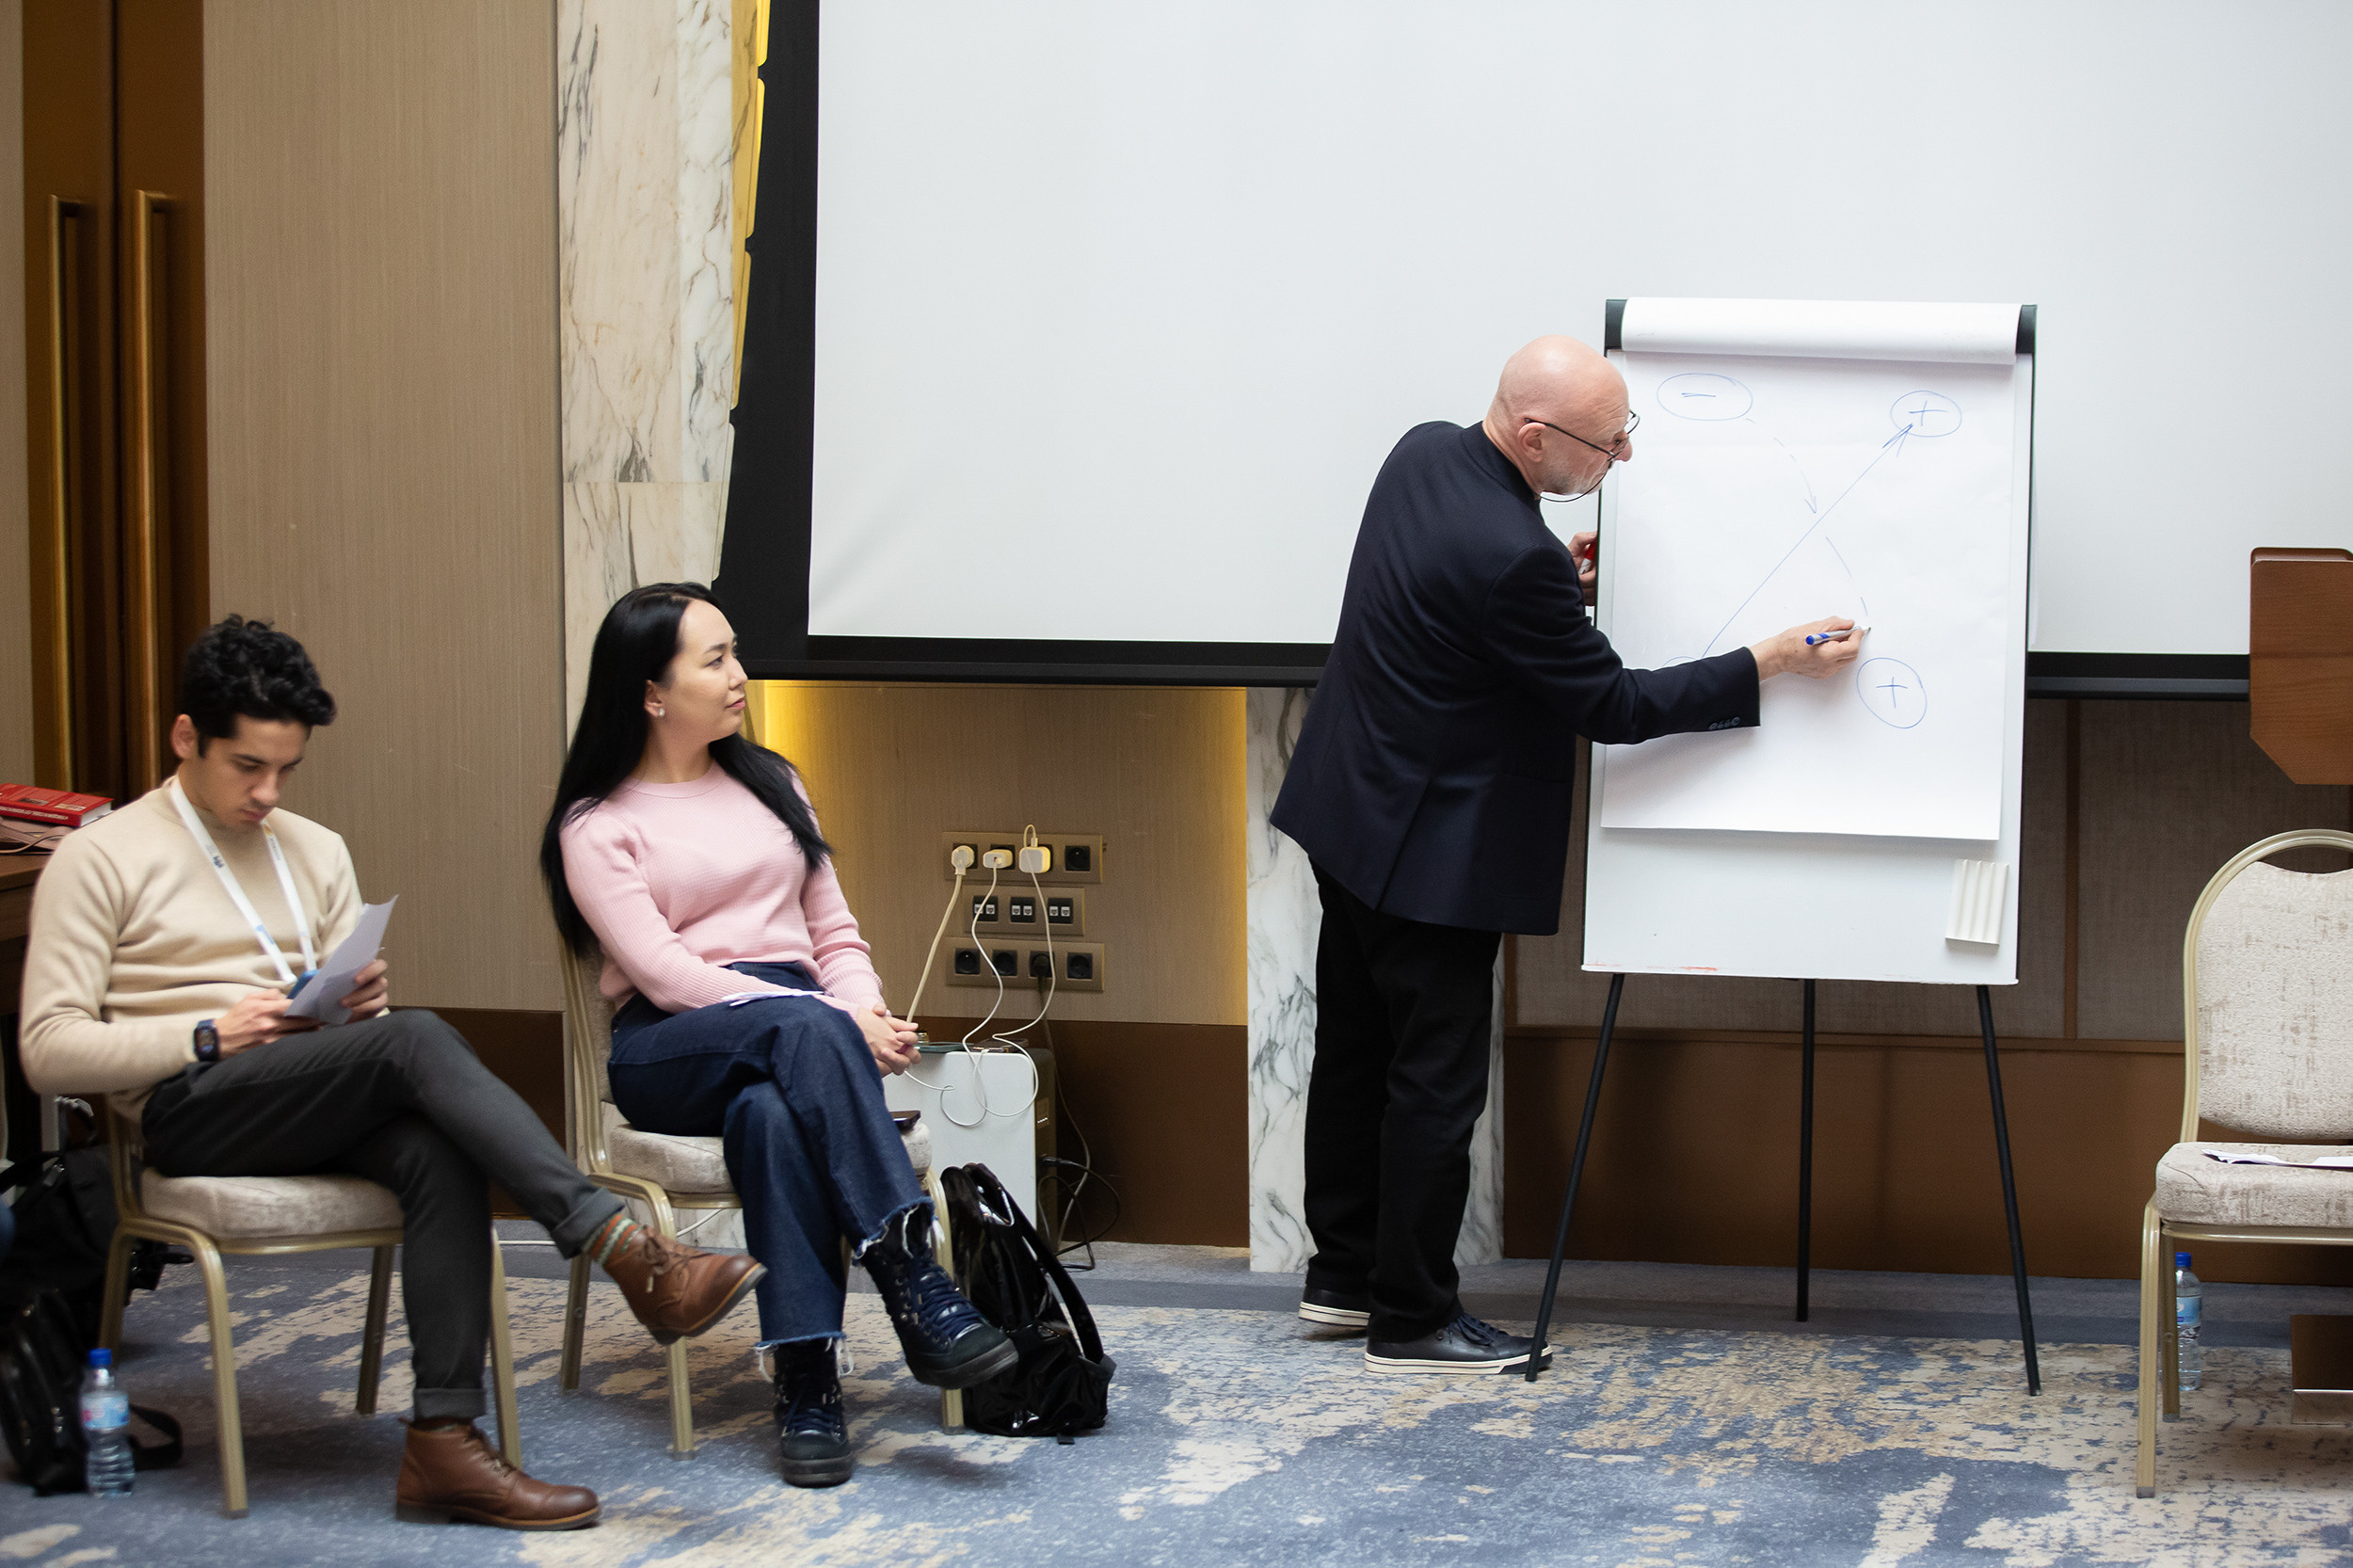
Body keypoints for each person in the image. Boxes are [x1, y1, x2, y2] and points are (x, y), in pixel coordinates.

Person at [21, 616, 765, 1529]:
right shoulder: (100, 857)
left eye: (286, 768)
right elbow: (46, 1046)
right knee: (415, 1042)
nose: (268, 792)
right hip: (189, 1107)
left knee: (432, 1143)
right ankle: (620, 1244)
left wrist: (359, 1003)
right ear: (186, 738)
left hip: (304, 1087)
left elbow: (351, 1023)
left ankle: (444, 1445)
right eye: (247, 766)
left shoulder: (315, 848)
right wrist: (207, 1033)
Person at [1272, 336, 1864, 1374]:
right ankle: (1410, 1318)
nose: (1622, 458)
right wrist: (1762, 661)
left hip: (1348, 812)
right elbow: (1615, 706)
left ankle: (1346, 1277)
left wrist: (1553, 589)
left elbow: (1458, 603)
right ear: (1535, 434)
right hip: (1430, 859)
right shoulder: (1515, 559)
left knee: (1358, 1052)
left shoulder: (1422, 455)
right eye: (1608, 440)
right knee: (1434, 1085)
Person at [543, 583, 1015, 1489]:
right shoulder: (598, 824)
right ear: (650, 691)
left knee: (769, 1114)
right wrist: (834, 1019)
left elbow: (833, 936)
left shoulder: (775, 782)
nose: (739, 675)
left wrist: (861, 1006)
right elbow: (669, 976)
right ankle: (909, 1270)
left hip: (794, 1038)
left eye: (736, 653)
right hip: (671, 1043)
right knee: (793, 1038)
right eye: (714, 660)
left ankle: (806, 1381)